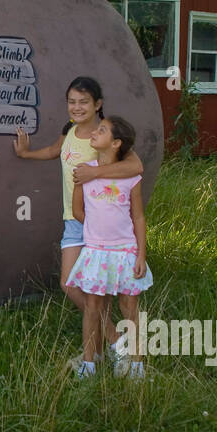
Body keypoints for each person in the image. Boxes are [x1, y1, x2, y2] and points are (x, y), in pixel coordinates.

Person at [13, 76, 144, 360]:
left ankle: (102, 350)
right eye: (72, 102)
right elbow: (54, 151)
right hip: (74, 218)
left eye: (84, 102)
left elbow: (135, 166)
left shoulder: (105, 135)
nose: (77, 107)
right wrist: (26, 153)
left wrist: (93, 173)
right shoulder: (70, 130)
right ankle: (113, 339)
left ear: (98, 104)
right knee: (69, 284)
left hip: (102, 222)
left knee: (101, 288)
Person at [66, 115, 153, 379]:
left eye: (101, 130)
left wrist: (140, 254)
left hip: (125, 252)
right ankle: (90, 363)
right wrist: (96, 231)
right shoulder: (83, 172)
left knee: (129, 308)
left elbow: (138, 217)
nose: (95, 132)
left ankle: (135, 365)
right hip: (96, 251)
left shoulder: (130, 178)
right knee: (93, 308)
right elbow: (78, 210)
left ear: (115, 143)